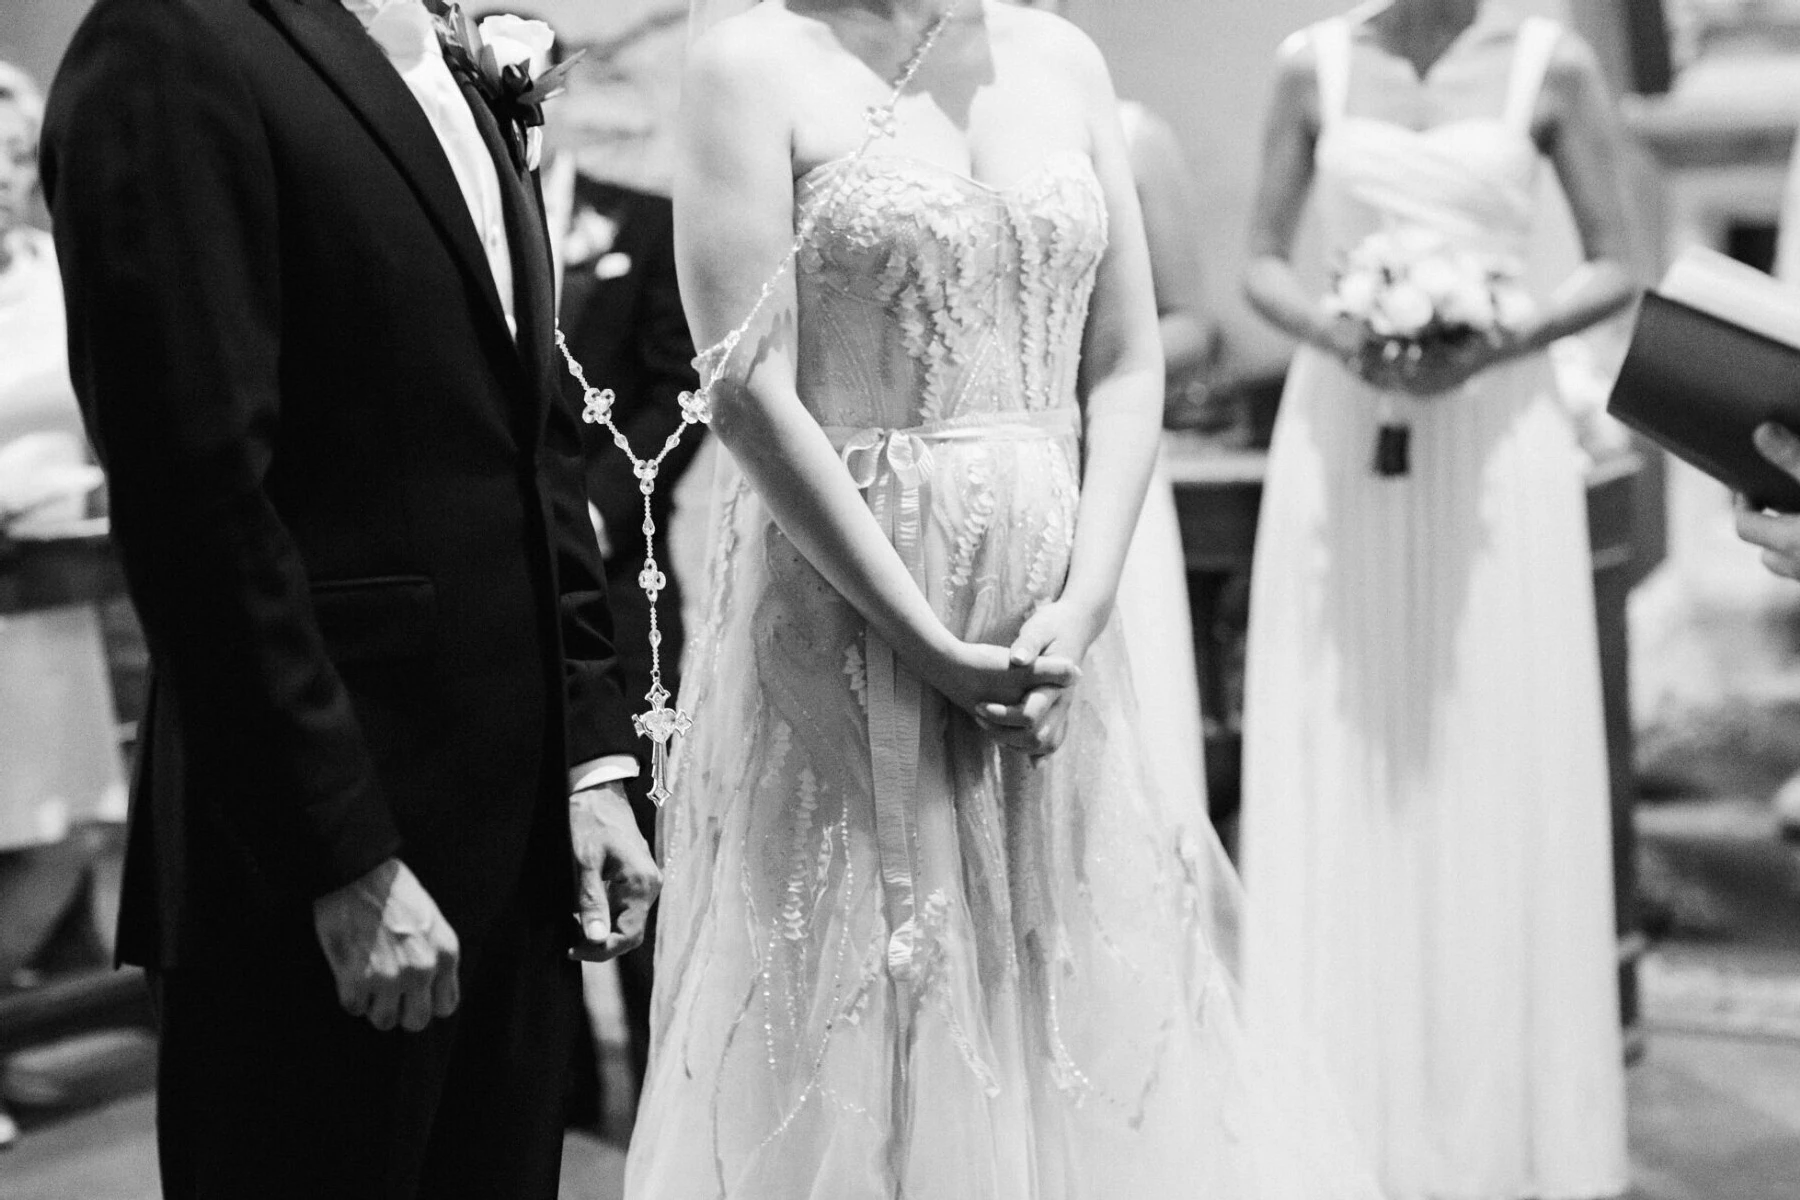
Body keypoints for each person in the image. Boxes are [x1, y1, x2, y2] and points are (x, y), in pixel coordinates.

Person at [625, 2, 1379, 1197]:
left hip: (1051, 606)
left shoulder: (1061, 55)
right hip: (854, 601)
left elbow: (1127, 362)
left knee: (1054, 965)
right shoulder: (747, 63)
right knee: (880, 968)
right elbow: (747, 384)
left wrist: (1083, 604)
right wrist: (919, 637)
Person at [42, 1, 659, 1196]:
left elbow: (536, 450)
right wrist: (342, 858)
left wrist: (590, 762)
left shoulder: (457, 55)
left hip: (517, 842)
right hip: (322, 849)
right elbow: (195, 502)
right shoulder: (173, 43)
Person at [1239, 2, 1636, 1198]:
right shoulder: (1311, 64)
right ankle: (1343, 1110)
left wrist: (1501, 333)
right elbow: (1260, 254)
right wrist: (1337, 326)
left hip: (1497, 434)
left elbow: (1622, 258)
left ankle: (1497, 1119)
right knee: (1348, 735)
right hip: (1342, 425)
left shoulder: (1549, 61)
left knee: (1491, 739)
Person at [538, 34, 705, 1122]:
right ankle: (549, 1081)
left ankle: (657, 1081)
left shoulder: (638, 225)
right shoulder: (447, 215)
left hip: (623, 577)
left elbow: (677, 388)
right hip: (497, 590)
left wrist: (599, 497)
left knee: (645, 808)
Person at [0, 58, 125, 1153]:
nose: (4, 171)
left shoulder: (55, 266)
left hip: (62, 583)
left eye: (12, 147)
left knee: (72, 822)